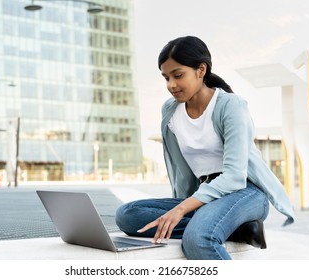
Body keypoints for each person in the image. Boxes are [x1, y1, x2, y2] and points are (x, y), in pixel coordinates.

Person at [115, 36, 295, 260]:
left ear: (201, 70)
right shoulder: (171, 112)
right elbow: (181, 170)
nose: (171, 85)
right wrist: (185, 203)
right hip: (205, 195)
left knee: (198, 238)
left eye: (178, 75)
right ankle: (235, 228)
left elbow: (234, 178)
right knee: (127, 215)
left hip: (245, 192)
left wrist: (182, 209)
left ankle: (210, 224)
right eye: (166, 77)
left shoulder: (231, 106)